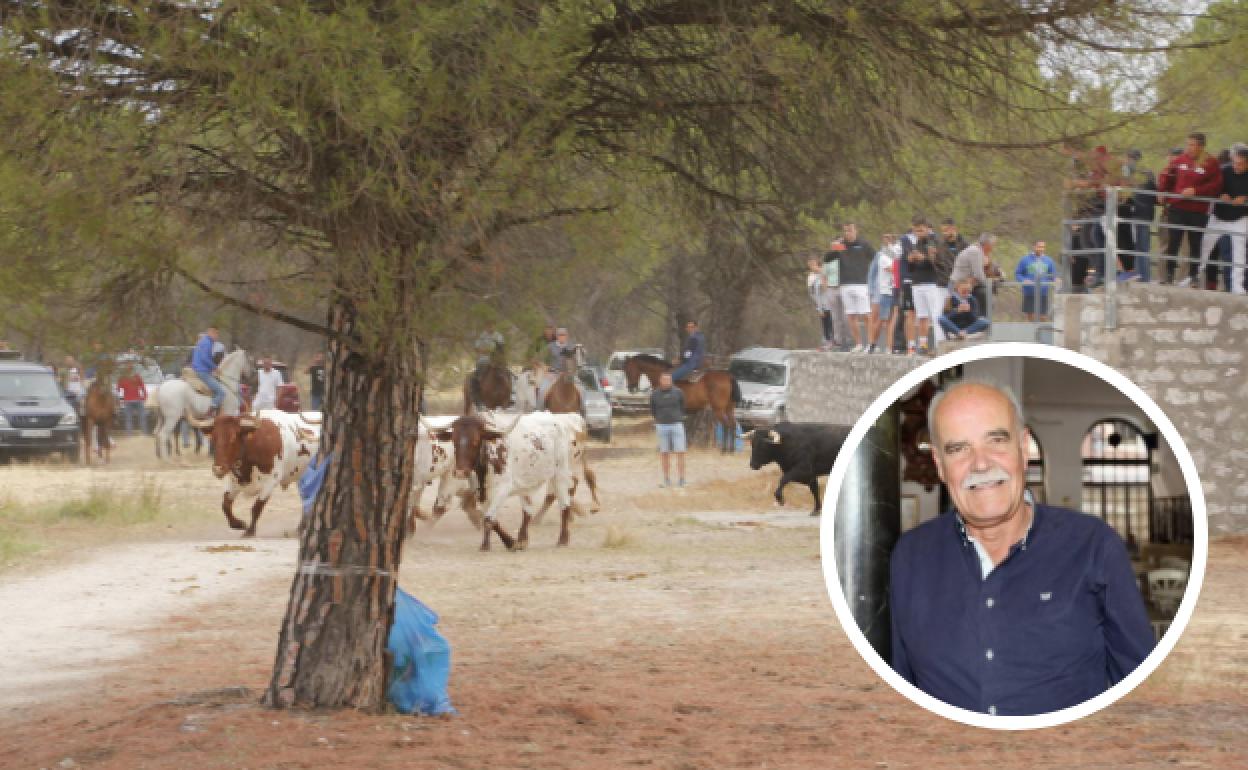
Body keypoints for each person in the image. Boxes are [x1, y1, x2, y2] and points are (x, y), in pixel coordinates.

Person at [889, 380, 1155, 717]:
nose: (980, 464)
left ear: (1023, 448)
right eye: (959, 449)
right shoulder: (910, 558)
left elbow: (1140, 688)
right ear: (941, 467)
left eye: (996, 441)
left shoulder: (1093, 546)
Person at [1159, 132, 1222, 287]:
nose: (1189, 148)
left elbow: (1216, 186)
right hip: (1177, 207)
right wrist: (1162, 190)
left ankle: (1193, 276)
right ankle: (1168, 275)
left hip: (1198, 210)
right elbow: (1167, 175)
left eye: (1192, 145)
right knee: (1173, 242)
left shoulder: (1211, 163)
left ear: (1201, 146)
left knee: (1195, 243)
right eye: (1188, 144)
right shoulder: (1180, 160)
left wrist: (1196, 191)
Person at [1195, 146, 1248, 295]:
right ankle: (1195, 277)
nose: (1236, 166)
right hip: (1218, 217)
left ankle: (1237, 285)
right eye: (1235, 162)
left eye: (1241, 163)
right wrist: (1221, 195)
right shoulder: (1223, 170)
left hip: (1239, 218)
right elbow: (1211, 187)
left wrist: (1245, 198)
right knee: (1205, 246)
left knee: (1240, 252)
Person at [836, 223, 875, 353]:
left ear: (856, 230)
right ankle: (858, 344)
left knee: (866, 314)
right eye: (845, 231)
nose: (848, 233)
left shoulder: (864, 244)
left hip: (861, 284)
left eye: (850, 230)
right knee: (851, 316)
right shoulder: (840, 245)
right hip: (845, 284)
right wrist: (834, 247)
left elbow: (875, 259)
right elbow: (830, 260)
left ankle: (870, 344)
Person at [1122, 149, 1158, 282]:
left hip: (1136, 213)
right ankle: (1144, 277)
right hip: (1146, 214)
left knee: (1138, 247)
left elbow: (1128, 192)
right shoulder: (1148, 173)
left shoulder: (1131, 172)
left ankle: (1141, 277)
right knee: (1143, 248)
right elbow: (1155, 194)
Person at [649, 372, 686, 488]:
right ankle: (666, 479)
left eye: (668, 380)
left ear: (671, 381)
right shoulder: (654, 395)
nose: (666, 382)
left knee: (680, 452)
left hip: (676, 424)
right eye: (664, 380)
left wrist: (678, 417)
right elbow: (653, 410)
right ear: (660, 381)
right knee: (664, 453)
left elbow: (682, 406)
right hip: (662, 426)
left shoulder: (678, 392)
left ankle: (681, 479)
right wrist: (659, 420)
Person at [949, 233, 997, 319]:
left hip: (965, 286)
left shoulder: (977, 251)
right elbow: (978, 274)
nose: (993, 247)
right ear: (987, 244)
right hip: (958, 287)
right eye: (993, 245)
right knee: (959, 314)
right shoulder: (975, 251)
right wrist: (989, 284)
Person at [867, 233, 900, 354]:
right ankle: (873, 343)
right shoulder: (882, 256)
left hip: (896, 290)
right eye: (886, 238)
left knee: (893, 320)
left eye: (890, 238)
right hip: (886, 291)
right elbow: (893, 269)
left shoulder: (896, 254)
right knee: (882, 319)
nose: (888, 241)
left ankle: (890, 347)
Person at [1015, 241, 1058, 321]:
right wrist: (1024, 280)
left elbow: (1053, 275)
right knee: (1031, 317)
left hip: (1043, 293)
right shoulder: (1025, 260)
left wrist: (1056, 279)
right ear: (1034, 247)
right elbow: (1018, 274)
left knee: (1043, 317)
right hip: (1030, 293)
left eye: (1043, 247)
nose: (1041, 249)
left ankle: (1042, 332)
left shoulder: (1049, 260)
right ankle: (1031, 332)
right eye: (1039, 247)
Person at [191, 326, 226, 417]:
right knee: (221, 392)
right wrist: (215, 368)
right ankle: (209, 412)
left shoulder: (202, 342)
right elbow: (204, 358)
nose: (217, 336)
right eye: (216, 333)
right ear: (211, 332)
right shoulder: (207, 343)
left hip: (198, 370)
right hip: (203, 372)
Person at [821, 241, 850, 350]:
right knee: (835, 317)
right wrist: (826, 290)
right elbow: (823, 276)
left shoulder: (846, 259)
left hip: (843, 288)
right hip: (832, 289)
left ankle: (848, 339)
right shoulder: (828, 260)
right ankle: (838, 340)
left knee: (846, 316)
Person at [470, 321, 506, 406]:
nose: (490, 327)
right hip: (484, 358)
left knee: (505, 373)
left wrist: (490, 351)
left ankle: (508, 394)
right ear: (486, 326)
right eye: (489, 325)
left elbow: (500, 349)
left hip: (496, 358)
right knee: (477, 372)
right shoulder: (482, 336)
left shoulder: (498, 336)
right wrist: (485, 350)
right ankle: (476, 393)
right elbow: (477, 348)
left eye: (492, 325)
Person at [806, 257, 835, 351]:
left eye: (814, 264)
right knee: (825, 322)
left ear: (818, 264)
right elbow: (812, 293)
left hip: (830, 302)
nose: (812, 266)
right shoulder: (811, 277)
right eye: (810, 265)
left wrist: (821, 273)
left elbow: (828, 286)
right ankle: (826, 341)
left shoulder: (824, 272)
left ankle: (834, 340)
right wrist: (818, 307)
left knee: (832, 322)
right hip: (820, 303)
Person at [116, 364, 148, 434]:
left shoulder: (122, 378)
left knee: (128, 419)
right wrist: (145, 396)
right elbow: (143, 387)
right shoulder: (137, 376)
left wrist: (119, 399)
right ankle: (144, 433)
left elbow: (118, 389)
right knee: (142, 417)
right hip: (138, 400)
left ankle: (129, 434)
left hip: (128, 401)